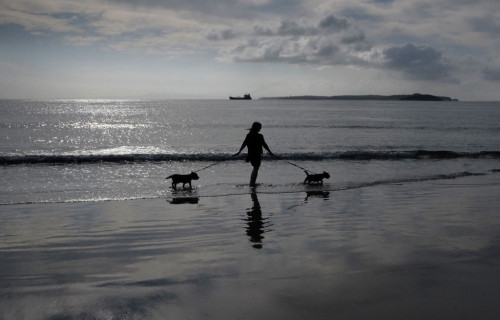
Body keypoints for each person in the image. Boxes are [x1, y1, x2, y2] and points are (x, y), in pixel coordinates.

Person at [233, 122, 274, 186]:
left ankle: (252, 182)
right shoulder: (259, 136)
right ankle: (252, 183)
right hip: (257, 154)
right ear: (256, 128)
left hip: (250, 154)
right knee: (256, 168)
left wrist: (239, 152)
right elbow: (264, 145)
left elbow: (244, 144)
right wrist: (270, 152)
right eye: (259, 127)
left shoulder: (249, 135)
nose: (260, 128)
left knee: (255, 168)